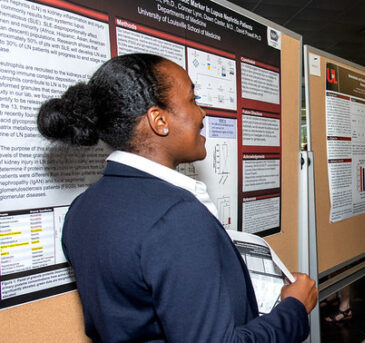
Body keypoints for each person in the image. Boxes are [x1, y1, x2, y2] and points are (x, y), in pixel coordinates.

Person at [36, 53, 318, 342]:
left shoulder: (82, 209)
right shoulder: (177, 217)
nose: (202, 113)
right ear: (159, 120)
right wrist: (294, 308)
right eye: (193, 100)